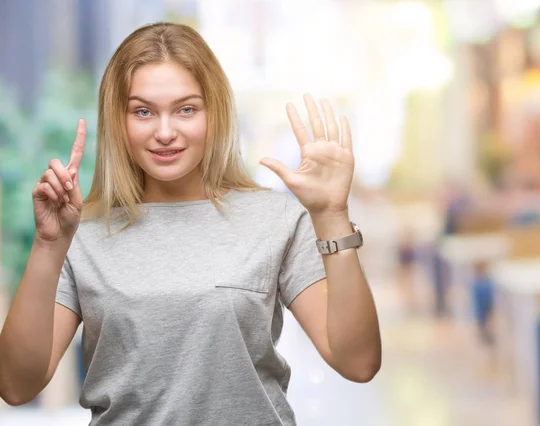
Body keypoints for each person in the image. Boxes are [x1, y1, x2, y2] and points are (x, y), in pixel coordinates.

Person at [0, 22, 381, 425]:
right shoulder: (81, 231)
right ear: (118, 120)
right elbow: (16, 385)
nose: (166, 133)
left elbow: (358, 363)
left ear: (213, 114)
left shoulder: (276, 220)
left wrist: (332, 216)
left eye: (186, 109)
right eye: (143, 111)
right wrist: (48, 244)